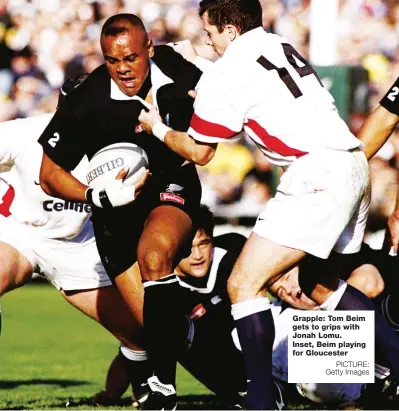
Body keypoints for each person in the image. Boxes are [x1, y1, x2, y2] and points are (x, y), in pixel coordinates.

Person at [138, 1, 399, 408]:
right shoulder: (278, 45)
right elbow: (253, 94)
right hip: (352, 162)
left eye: (209, 33)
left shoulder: (227, 73)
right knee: (317, 281)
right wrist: (203, 71)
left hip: (314, 174)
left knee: (243, 284)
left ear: (228, 29)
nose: (207, 41)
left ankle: (261, 399)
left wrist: (156, 126)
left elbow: (200, 151)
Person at [38, 13, 203, 410]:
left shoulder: (180, 66)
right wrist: (96, 196)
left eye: (131, 57)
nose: (124, 69)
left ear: (149, 49)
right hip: (113, 213)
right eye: (113, 61)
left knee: (154, 255)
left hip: (171, 188)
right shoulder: (86, 99)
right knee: (160, 329)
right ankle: (232, 371)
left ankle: (163, 391)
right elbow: (49, 174)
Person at [0, 109, 151, 405]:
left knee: (139, 332)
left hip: (78, 244)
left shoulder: (119, 144)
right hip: (18, 230)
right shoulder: (23, 132)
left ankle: (147, 385)